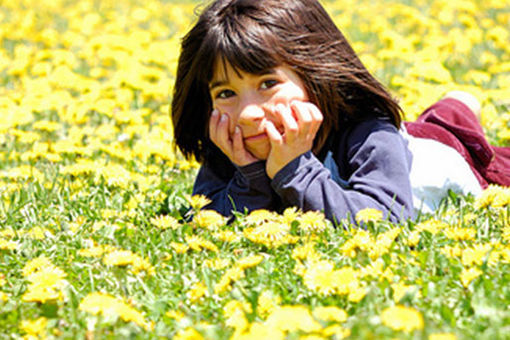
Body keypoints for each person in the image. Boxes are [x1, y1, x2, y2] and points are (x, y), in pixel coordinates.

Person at [171, 0, 510, 225]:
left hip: (439, 155)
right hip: (410, 140)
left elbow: (384, 218)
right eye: (226, 93)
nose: (247, 114)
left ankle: (458, 104)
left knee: (451, 130)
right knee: (436, 120)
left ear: (315, 74)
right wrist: (250, 178)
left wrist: (294, 170)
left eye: (267, 83)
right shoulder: (232, 143)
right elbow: (203, 220)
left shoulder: (369, 133)